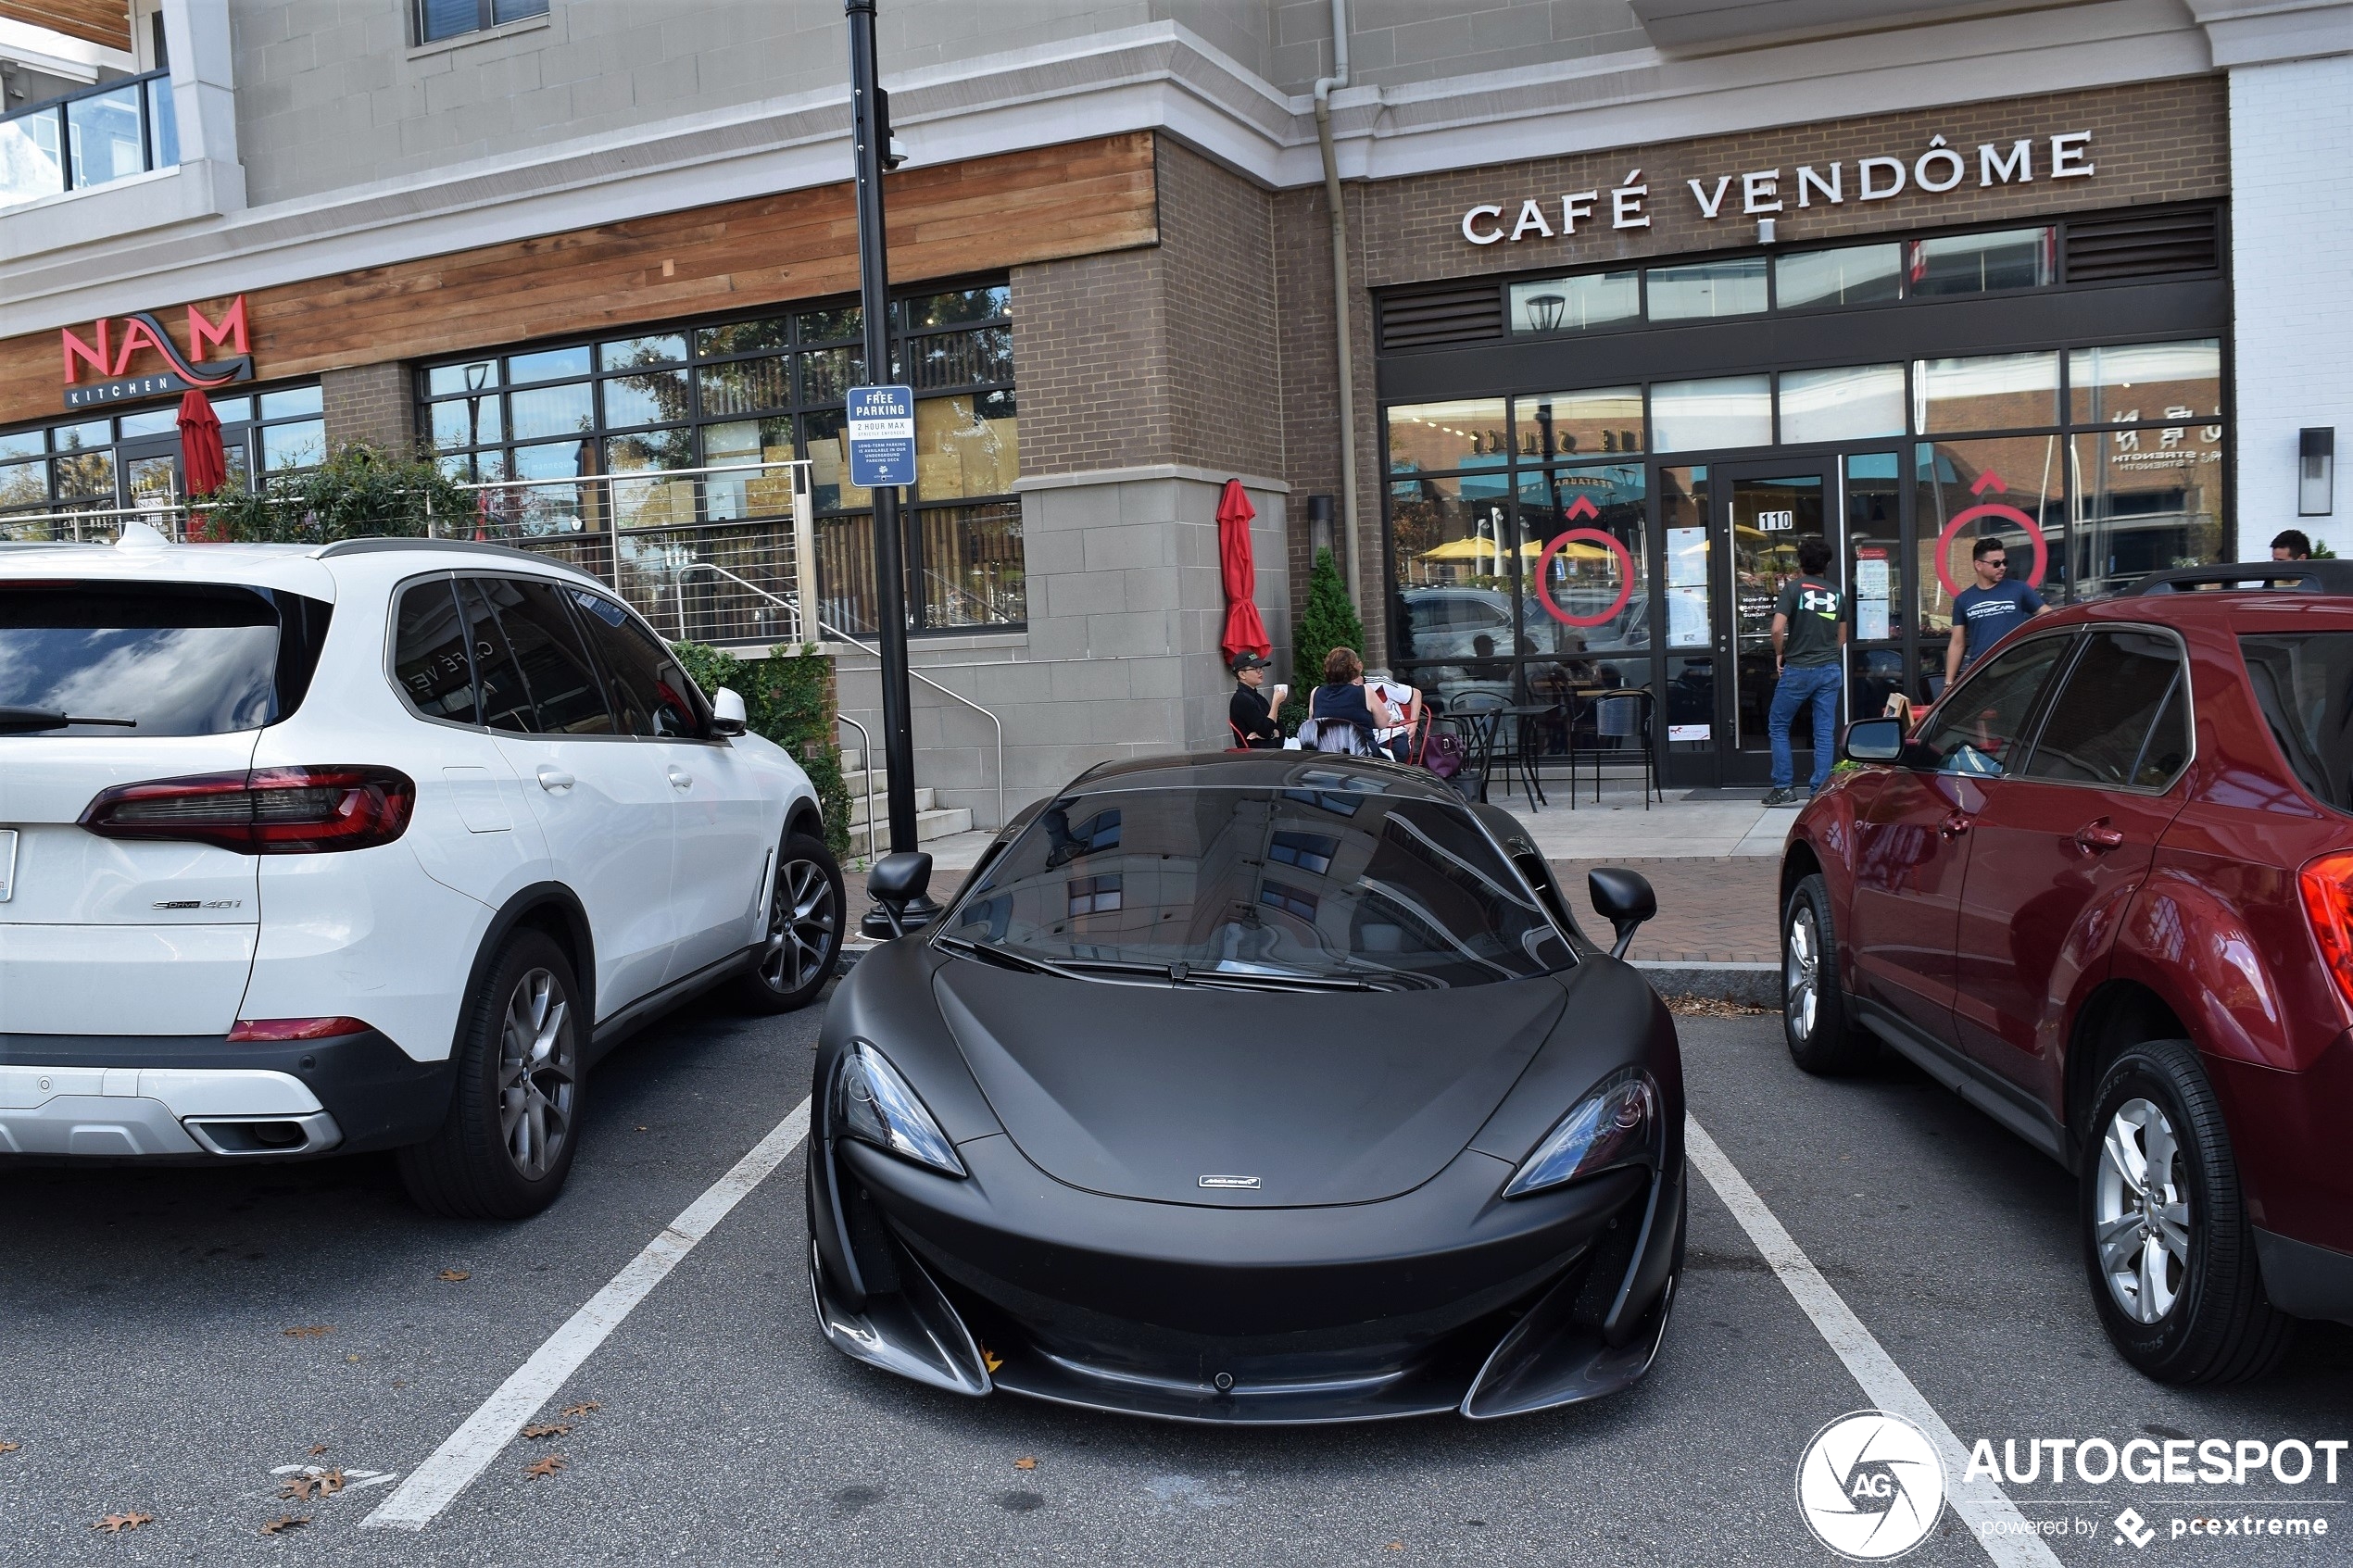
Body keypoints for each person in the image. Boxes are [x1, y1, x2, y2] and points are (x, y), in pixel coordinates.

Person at [1764, 535, 1846, 807]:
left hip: (1798, 668)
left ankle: (1784, 787)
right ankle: (1819, 790)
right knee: (1824, 731)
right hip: (1829, 668)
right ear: (1828, 563)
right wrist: (1828, 654)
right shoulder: (1836, 594)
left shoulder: (1793, 589)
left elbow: (1777, 628)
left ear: (1800, 562)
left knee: (1778, 725)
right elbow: (1842, 637)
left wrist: (1780, 653)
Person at [1944, 535, 2049, 691]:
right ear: (1978, 565)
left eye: (2004, 562)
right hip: (1981, 674)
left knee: (2016, 715)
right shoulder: (1963, 600)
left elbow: (2048, 616)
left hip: (2018, 672)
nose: (2002, 567)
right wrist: (1949, 683)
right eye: (1996, 563)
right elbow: (1957, 643)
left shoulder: (2019, 589)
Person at [1305, 646, 1399, 753]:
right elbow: (1383, 722)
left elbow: (1312, 725)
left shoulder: (1316, 693)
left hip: (1328, 757)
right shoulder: (1365, 691)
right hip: (1362, 756)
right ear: (1355, 669)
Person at [1227, 650, 1287, 749]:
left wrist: (1270, 734)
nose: (1260, 671)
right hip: (1254, 758)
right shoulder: (1241, 699)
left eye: (1261, 668)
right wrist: (1276, 703)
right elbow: (1266, 729)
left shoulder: (1258, 698)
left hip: (1268, 755)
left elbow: (1281, 729)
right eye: (1255, 668)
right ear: (1242, 675)